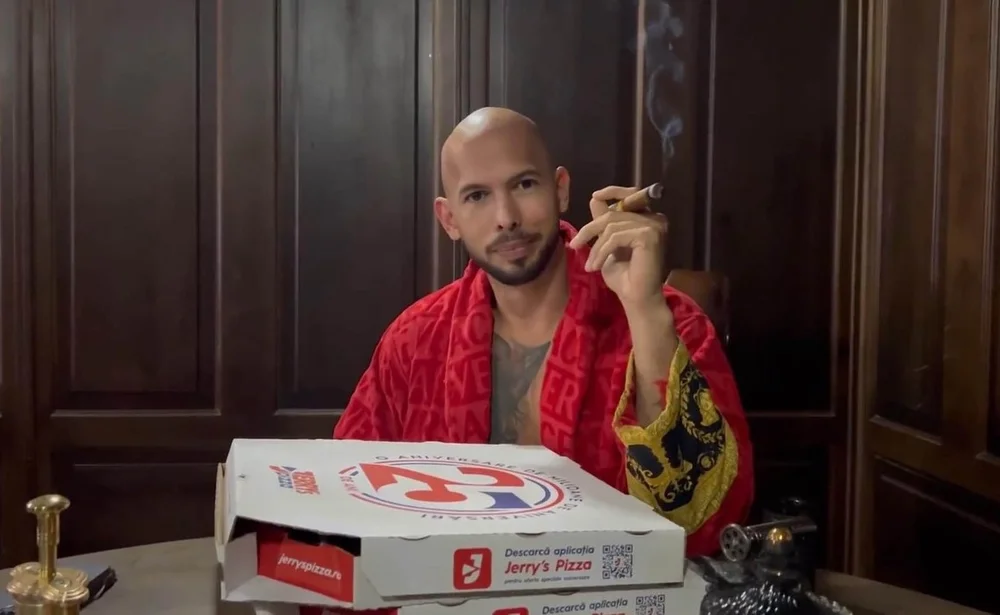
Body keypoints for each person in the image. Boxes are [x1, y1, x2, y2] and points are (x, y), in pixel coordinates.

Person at [334, 107, 753, 556]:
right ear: (449, 219)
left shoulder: (673, 321)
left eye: (524, 185)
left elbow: (710, 522)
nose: (506, 217)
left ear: (561, 189)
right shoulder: (414, 340)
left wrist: (645, 308)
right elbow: (342, 500)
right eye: (477, 196)